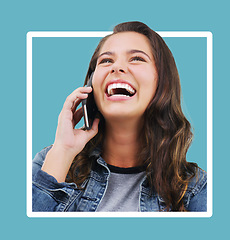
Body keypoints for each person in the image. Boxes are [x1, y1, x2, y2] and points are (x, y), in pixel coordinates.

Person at [32, 21, 207, 212]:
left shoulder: (195, 188)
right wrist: (63, 150)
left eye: (137, 59)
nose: (117, 68)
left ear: (163, 82)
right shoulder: (50, 162)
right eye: (106, 61)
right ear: (91, 84)